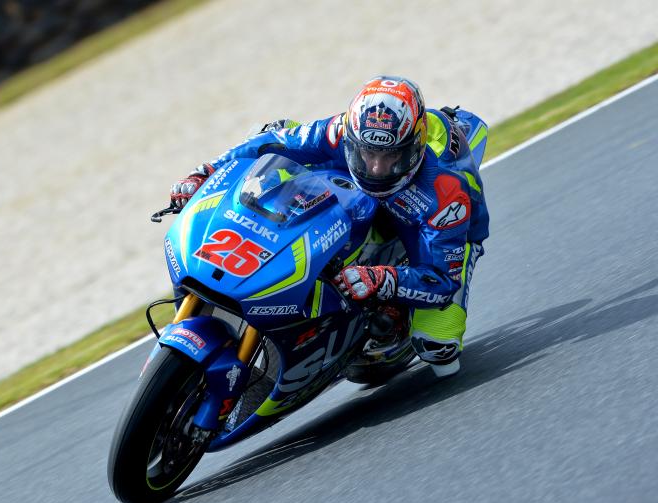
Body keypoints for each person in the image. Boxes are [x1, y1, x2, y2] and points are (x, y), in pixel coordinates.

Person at [170, 76, 489, 378]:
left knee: (438, 348)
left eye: (390, 157)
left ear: (413, 147)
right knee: (277, 132)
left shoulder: (446, 192)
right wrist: (206, 171)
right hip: (355, 189)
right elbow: (273, 142)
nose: (376, 167)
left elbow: (441, 280)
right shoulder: (342, 131)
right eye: (367, 153)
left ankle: (396, 315)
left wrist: (383, 279)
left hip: (438, 226)